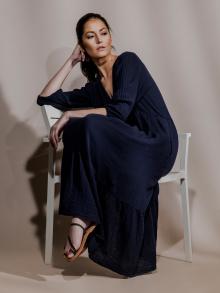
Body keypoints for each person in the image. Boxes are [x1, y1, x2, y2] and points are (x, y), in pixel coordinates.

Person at [37, 12, 179, 278]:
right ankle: (82, 216)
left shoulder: (128, 62)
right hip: (129, 148)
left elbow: (120, 112)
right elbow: (46, 99)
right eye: (91, 36)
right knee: (82, 125)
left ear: (111, 36)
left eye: (103, 32)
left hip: (157, 143)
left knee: (83, 122)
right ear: (83, 46)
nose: (100, 40)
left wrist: (70, 115)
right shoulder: (95, 88)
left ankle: (83, 217)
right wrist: (70, 62)